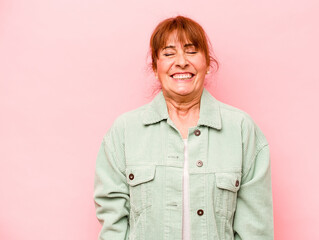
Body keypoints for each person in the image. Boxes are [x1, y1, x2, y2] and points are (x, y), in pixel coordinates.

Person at [94, 15, 274, 240]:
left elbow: (256, 229)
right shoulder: (124, 132)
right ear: (155, 66)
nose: (181, 61)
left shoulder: (241, 130)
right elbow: (112, 221)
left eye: (191, 51)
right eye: (168, 53)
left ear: (207, 63)